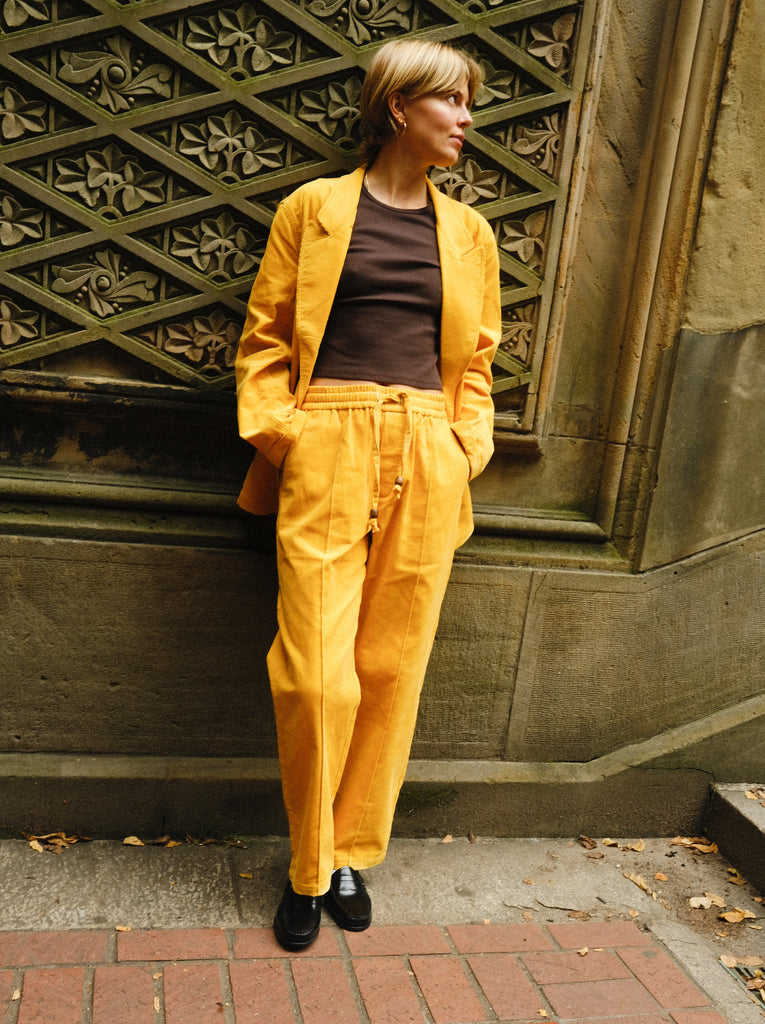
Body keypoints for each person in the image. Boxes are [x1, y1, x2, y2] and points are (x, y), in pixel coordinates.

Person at [235, 37, 501, 952]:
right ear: (398, 107)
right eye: (453, 102)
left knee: (392, 668)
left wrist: (466, 444)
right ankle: (308, 864)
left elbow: (476, 361)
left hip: (428, 445)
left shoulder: (469, 231)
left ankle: (350, 852)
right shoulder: (312, 209)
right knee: (315, 673)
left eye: (469, 103)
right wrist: (287, 434)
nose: (468, 119)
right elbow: (266, 338)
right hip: (328, 441)